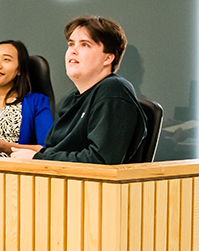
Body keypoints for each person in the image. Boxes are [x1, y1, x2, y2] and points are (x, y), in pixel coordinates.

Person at [12, 16, 146, 164]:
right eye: (71, 44)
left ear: (107, 59)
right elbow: (55, 149)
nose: (72, 51)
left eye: (85, 45)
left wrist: (37, 159)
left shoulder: (113, 90)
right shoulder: (73, 99)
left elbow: (101, 160)